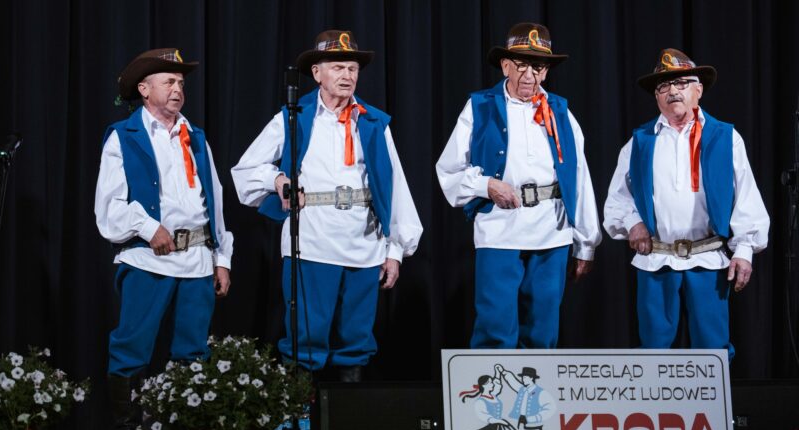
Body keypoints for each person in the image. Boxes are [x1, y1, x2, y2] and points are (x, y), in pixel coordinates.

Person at [231, 30, 422, 382]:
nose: (347, 75)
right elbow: (246, 171)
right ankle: (301, 412)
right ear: (317, 73)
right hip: (312, 242)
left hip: (364, 244)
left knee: (357, 338)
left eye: (352, 68)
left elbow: (395, 186)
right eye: (338, 67)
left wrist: (396, 249)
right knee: (306, 336)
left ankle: (349, 408)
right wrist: (277, 180)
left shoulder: (373, 121)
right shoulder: (294, 116)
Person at [95, 48, 233, 430]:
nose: (177, 89)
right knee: (131, 347)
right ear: (144, 89)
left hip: (198, 261)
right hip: (148, 259)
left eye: (181, 83)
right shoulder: (124, 137)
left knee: (193, 350)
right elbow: (108, 208)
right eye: (169, 81)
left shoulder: (195, 137)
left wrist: (222, 257)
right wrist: (148, 226)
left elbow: (214, 201)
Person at [436, 22, 602, 349]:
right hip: (500, 228)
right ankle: (490, 383)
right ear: (505, 66)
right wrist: (486, 185)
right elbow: (448, 169)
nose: (529, 75)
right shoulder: (480, 107)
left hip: (552, 229)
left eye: (538, 67)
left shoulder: (560, 112)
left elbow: (579, 177)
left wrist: (586, 242)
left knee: (542, 327)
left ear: (547, 71)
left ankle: (537, 384)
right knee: (495, 324)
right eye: (521, 64)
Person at [603, 48, 769, 359]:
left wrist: (745, 249)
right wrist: (632, 223)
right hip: (657, 259)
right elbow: (618, 198)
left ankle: (713, 395)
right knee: (653, 350)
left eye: (681, 83)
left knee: (713, 349)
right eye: (664, 86)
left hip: (707, 259)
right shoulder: (640, 142)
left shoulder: (725, 137)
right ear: (656, 97)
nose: (673, 91)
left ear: (698, 90)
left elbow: (746, 195)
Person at [460, 365, 527, 430]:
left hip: (500, 426)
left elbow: (497, 386)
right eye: (490, 383)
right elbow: (484, 416)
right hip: (491, 428)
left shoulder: (493, 396)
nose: (493, 384)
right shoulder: (480, 401)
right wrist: (498, 421)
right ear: (484, 385)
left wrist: (497, 372)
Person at [499, 366, 555, 430]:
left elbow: (550, 408)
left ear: (531, 378)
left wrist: (533, 418)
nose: (522, 379)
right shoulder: (522, 389)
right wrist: (503, 371)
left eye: (524, 377)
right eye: (522, 377)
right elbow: (513, 381)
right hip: (520, 424)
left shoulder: (541, 392)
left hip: (534, 426)